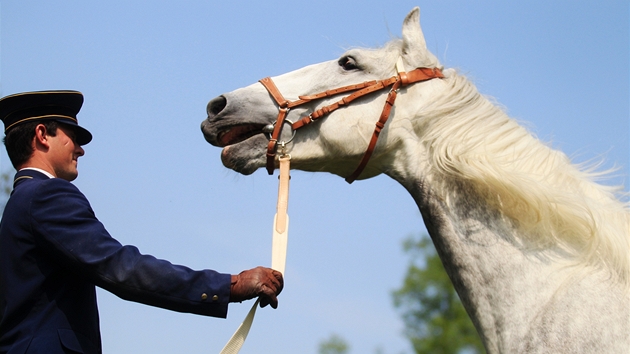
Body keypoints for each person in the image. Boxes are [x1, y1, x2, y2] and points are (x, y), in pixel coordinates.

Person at [0, 90, 284, 353]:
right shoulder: (47, 195)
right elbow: (121, 268)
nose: (80, 149)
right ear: (42, 135)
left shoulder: (19, 205)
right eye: (73, 136)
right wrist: (230, 285)